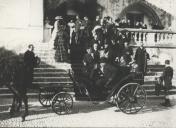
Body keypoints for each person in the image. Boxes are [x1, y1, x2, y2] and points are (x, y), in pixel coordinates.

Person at [22, 44, 38, 121]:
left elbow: (34, 61)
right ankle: (27, 83)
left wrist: (36, 58)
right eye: (31, 48)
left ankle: (29, 83)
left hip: (31, 68)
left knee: (31, 76)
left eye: (33, 48)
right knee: (28, 76)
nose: (32, 49)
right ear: (29, 48)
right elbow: (25, 60)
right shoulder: (26, 53)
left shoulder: (32, 53)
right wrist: (30, 63)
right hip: (27, 68)